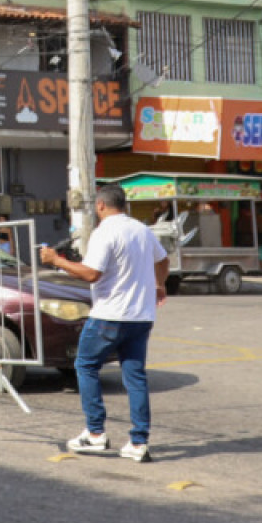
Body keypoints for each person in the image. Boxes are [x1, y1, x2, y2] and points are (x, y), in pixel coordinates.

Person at [38, 183, 169, 462]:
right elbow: (163, 259)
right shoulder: (142, 229)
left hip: (110, 315)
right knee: (134, 376)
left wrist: (56, 260)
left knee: (85, 365)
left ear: (100, 205)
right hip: (141, 316)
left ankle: (95, 433)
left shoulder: (104, 232)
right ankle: (138, 442)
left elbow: (91, 274)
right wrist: (159, 284)